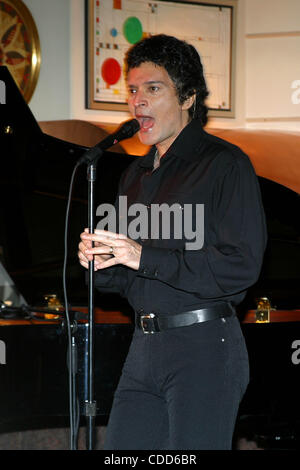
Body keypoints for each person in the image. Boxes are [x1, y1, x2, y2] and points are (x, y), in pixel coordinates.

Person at [78, 34, 267, 450]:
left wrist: (144, 256)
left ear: (188, 98)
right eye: (132, 90)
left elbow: (240, 266)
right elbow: (130, 280)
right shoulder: (134, 176)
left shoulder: (225, 164)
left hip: (204, 348)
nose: (137, 100)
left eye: (153, 88)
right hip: (144, 346)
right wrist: (101, 264)